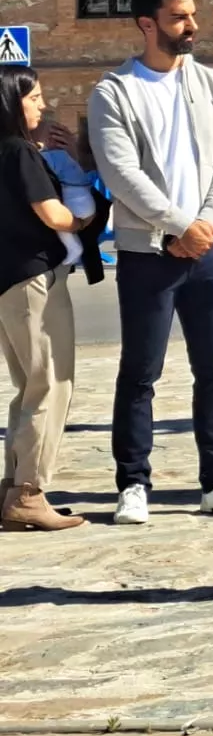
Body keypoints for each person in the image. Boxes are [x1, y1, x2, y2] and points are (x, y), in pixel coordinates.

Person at [88, 0, 213, 525]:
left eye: (192, 14)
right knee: (141, 370)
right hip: (147, 251)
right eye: (180, 17)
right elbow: (120, 172)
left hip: (212, 246)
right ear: (147, 24)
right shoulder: (114, 92)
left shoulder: (212, 85)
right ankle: (133, 484)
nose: (192, 26)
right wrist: (179, 224)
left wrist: (204, 223)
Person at [0, 67, 92, 532]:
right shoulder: (18, 152)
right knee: (52, 384)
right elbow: (54, 214)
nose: (41, 104)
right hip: (35, 279)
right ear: (14, 102)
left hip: (8, 283)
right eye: (34, 97)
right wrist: (81, 220)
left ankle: (12, 486)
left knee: (27, 386)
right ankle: (29, 492)